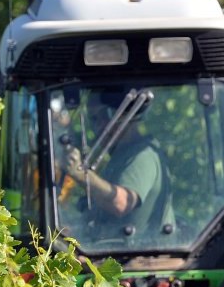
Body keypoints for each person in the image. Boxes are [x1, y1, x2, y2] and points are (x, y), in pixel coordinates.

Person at [63, 90, 174, 236]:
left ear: (122, 113)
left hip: (143, 256)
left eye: (102, 116)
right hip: (116, 254)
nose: (97, 126)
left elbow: (121, 203)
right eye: (93, 119)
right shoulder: (120, 157)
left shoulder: (142, 155)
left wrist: (81, 174)